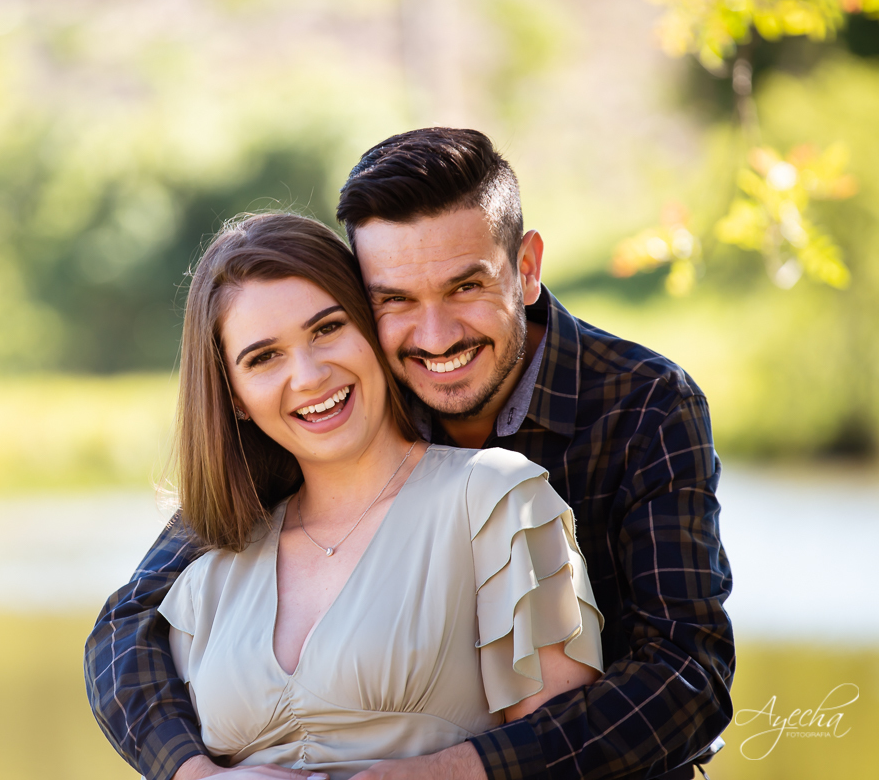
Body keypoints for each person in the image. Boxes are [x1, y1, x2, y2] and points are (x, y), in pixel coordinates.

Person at [86, 128, 734, 780]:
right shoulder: (336, 407)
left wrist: (449, 772)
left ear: (527, 269)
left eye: (465, 288)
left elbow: (686, 676)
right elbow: (128, 625)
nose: (435, 336)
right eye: (394, 300)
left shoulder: (641, 403)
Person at [112, 210, 604, 780]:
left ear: (372, 332)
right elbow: (118, 643)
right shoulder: (213, 564)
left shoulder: (496, 499)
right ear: (235, 395)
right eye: (264, 357)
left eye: (327, 329)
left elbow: (561, 756)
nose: (309, 374)